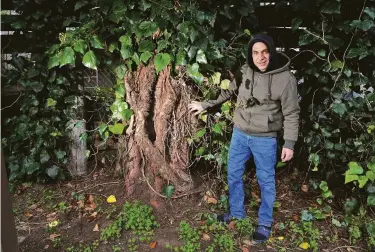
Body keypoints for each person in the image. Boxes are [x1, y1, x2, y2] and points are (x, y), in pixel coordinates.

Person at [189, 34, 300, 243]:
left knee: (266, 181)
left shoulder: (286, 80)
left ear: (272, 52)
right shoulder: (245, 71)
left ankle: (264, 223)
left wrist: (289, 143)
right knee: (233, 174)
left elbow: (292, 113)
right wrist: (206, 104)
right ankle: (237, 214)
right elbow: (229, 93)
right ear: (251, 54)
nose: (261, 57)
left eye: (265, 52)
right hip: (240, 134)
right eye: (256, 52)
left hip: (265, 139)